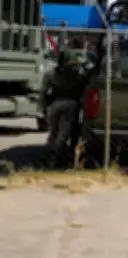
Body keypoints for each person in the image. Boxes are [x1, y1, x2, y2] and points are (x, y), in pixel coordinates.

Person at [46, 36, 89, 168]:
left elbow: (45, 90)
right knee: (63, 134)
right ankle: (57, 161)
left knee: (54, 133)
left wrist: (44, 107)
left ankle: (50, 157)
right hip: (71, 104)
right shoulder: (80, 71)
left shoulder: (53, 73)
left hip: (55, 104)